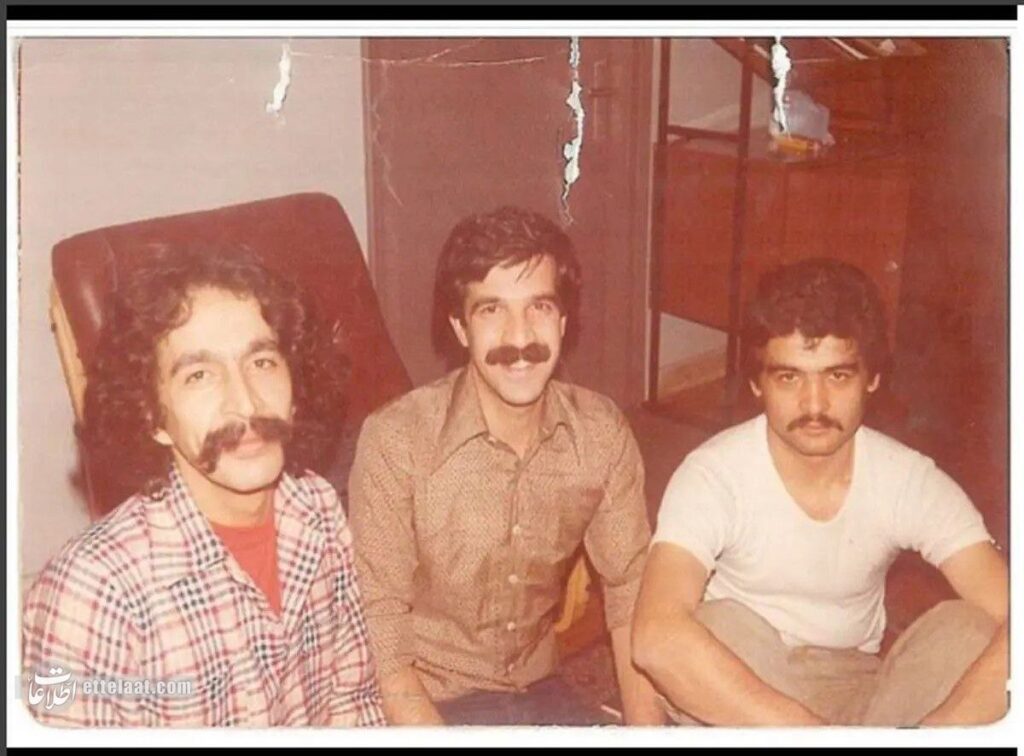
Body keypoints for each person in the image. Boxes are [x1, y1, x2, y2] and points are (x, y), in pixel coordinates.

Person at [632, 258, 1008, 726]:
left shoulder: (908, 479)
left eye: (837, 376)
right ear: (757, 384)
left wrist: (933, 734)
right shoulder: (713, 474)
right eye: (789, 377)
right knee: (716, 626)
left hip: (861, 689)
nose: (814, 404)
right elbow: (654, 635)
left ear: (872, 378)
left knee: (969, 630)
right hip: (747, 684)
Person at [22, 243, 385, 727]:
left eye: (262, 362)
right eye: (199, 376)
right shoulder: (88, 595)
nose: (246, 403)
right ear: (153, 418)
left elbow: (354, 705)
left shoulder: (317, 507)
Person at [348, 206, 663, 725]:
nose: (520, 338)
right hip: (428, 700)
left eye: (539, 307)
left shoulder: (600, 433)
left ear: (563, 321)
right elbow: (381, 632)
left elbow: (630, 591)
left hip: (539, 685)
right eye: (491, 310)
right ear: (460, 327)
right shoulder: (397, 441)